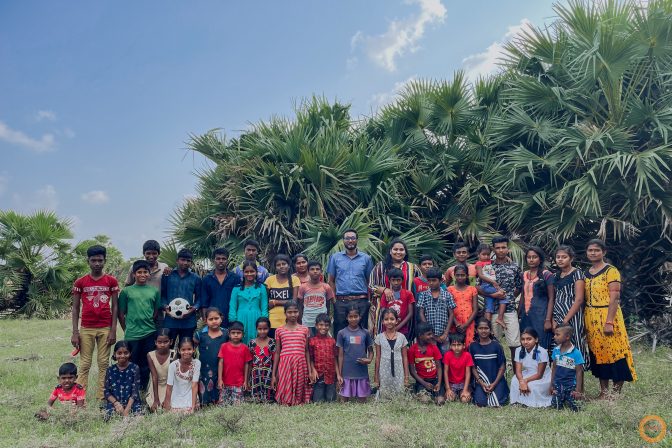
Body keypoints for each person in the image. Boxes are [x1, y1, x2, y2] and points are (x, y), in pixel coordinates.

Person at [584, 239, 636, 398]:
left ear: (603, 252)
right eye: (590, 250)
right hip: (591, 317)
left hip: (608, 315)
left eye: (596, 250)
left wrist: (609, 322)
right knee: (599, 353)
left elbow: (615, 298)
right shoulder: (586, 273)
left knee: (616, 353)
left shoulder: (611, 271)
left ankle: (615, 393)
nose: (593, 253)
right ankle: (603, 392)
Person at [71, 244, 119, 401]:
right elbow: (75, 308)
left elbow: (115, 306)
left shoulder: (111, 281)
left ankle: (102, 397)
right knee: (85, 364)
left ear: (105, 261)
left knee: (103, 363)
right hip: (86, 328)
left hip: (105, 327)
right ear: (88, 261)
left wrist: (113, 330)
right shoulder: (80, 282)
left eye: (100, 260)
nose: (97, 264)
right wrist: (75, 332)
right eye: (93, 260)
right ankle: (80, 397)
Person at [118, 259, 161, 391]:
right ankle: (131, 388)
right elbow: (121, 313)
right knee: (132, 361)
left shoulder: (154, 291)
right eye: (139, 272)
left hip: (149, 332)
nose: (142, 275)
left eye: (145, 272)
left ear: (149, 274)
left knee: (146, 362)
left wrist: (149, 322)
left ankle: (143, 388)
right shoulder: (126, 291)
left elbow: (156, 312)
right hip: (132, 334)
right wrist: (126, 329)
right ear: (134, 274)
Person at [327, 229, 374, 337]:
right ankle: (340, 349)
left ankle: (361, 349)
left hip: (361, 301)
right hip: (341, 301)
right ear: (343, 240)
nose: (350, 240)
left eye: (353, 238)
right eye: (347, 238)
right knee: (340, 332)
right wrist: (335, 301)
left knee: (361, 332)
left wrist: (369, 300)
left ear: (357, 240)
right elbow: (331, 281)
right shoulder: (335, 258)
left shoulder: (366, 258)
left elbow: (370, 281)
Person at [369, 238, 420, 336]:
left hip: (406, 310)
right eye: (395, 249)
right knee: (383, 336)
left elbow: (421, 282)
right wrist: (385, 290)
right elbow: (371, 286)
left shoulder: (413, 268)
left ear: (405, 252)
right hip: (383, 308)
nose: (398, 252)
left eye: (401, 250)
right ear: (390, 251)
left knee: (405, 338)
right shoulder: (381, 266)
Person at [553, 245, 589, 371]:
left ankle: (579, 381)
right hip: (558, 314)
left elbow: (579, 299)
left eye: (564, 257)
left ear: (571, 258)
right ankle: (565, 379)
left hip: (572, 315)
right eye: (558, 257)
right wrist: (554, 319)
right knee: (561, 347)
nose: (560, 259)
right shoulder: (556, 275)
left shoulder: (577, 273)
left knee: (575, 345)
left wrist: (566, 320)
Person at [271, 301, 312, 406]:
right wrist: (274, 374)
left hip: (300, 362)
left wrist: (310, 370)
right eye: (289, 312)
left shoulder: (305, 329)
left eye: (295, 312)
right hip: (285, 363)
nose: (293, 314)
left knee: (300, 384)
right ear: (285, 313)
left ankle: (298, 401)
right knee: (286, 383)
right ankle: (286, 400)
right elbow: (277, 352)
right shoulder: (279, 330)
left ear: (299, 312)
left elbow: (306, 351)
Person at [490, 236, 523, 361]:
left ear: (508, 249)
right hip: (493, 310)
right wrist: (493, 295)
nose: (501, 250)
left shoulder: (515, 266)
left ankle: (516, 372)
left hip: (510, 310)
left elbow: (519, 286)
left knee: (515, 345)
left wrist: (510, 297)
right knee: (494, 344)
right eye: (498, 248)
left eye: (503, 247)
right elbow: (479, 287)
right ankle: (498, 371)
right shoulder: (488, 267)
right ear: (493, 249)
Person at [124, 240, 171, 328]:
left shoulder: (164, 267)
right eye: (148, 253)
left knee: (158, 334)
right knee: (139, 333)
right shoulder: (135, 267)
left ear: (158, 253)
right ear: (144, 253)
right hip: (139, 309)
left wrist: (169, 272)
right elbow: (128, 286)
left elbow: (168, 286)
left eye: (154, 253)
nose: (151, 256)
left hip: (158, 308)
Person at [161, 248, 202, 345]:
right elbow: (162, 295)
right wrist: (165, 307)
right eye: (183, 260)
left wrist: (194, 308)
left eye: (188, 261)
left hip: (188, 322)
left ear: (191, 263)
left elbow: (200, 298)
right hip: (170, 321)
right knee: (168, 348)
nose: (185, 263)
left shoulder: (195, 278)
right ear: (177, 260)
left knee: (186, 349)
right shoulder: (167, 275)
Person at [519, 246, 555, 352]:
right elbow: (522, 295)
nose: (531, 259)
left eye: (534, 257)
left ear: (540, 259)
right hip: (526, 316)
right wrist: (518, 313)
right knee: (527, 343)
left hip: (541, 316)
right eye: (529, 257)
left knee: (541, 345)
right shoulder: (524, 274)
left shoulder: (546, 275)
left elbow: (552, 298)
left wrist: (548, 320)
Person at [336, 305, 374, 402]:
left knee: (362, 400)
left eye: (355, 316)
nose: (353, 319)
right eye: (351, 317)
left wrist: (369, 360)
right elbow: (340, 356)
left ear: (360, 317)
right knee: (344, 400)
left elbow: (371, 351)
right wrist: (340, 374)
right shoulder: (341, 333)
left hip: (361, 371)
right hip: (347, 371)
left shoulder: (365, 332)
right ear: (346, 317)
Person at [470, 319, 509, 407]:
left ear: (490, 330)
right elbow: (473, 367)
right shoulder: (473, 346)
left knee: (498, 403)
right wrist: (481, 382)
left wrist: (494, 384)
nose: (483, 331)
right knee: (480, 403)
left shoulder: (497, 346)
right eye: (481, 328)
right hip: (481, 381)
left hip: (496, 380)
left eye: (486, 328)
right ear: (476, 330)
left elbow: (502, 367)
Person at [416, 267, 456, 354]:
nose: (431, 283)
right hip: (429, 335)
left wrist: (445, 333)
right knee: (431, 355)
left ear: (440, 280)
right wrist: (430, 332)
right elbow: (421, 313)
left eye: (434, 280)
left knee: (445, 355)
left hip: (444, 333)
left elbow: (451, 314)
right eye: (429, 280)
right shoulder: (423, 295)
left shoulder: (447, 295)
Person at [228, 261, 269, 344]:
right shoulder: (236, 289)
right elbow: (232, 306)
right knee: (241, 342)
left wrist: (264, 321)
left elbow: (264, 306)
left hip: (257, 319)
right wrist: (234, 322)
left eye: (252, 271)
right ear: (243, 273)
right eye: (246, 272)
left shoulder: (261, 287)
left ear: (256, 272)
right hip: (240, 319)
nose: (249, 274)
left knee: (257, 342)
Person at [510, 327, 552, 407]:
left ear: (536, 340)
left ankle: (531, 403)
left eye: (529, 339)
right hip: (528, 373)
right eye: (523, 339)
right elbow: (518, 371)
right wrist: (521, 381)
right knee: (514, 380)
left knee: (532, 385)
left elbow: (539, 375)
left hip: (543, 377)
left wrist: (525, 381)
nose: (525, 342)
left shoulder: (542, 351)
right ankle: (517, 401)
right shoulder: (518, 350)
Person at [196, 308, 229, 406]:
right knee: (205, 385)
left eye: (216, 318)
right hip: (205, 367)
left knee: (220, 383)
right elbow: (193, 348)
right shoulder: (200, 335)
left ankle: (220, 401)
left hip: (222, 365)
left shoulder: (226, 333)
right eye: (211, 319)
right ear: (205, 320)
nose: (214, 321)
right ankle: (205, 402)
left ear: (221, 318)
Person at [374, 308, 409, 399]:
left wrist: (406, 376)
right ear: (382, 322)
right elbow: (378, 357)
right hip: (384, 369)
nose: (389, 321)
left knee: (398, 395)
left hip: (398, 369)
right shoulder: (379, 337)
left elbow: (405, 357)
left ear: (397, 321)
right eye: (386, 319)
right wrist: (376, 376)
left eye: (392, 319)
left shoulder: (402, 337)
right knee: (385, 395)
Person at [201, 248, 240, 327]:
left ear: (227, 260)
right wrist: (205, 319)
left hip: (231, 318)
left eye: (223, 259)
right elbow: (204, 302)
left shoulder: (235, 278)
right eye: (218, 259)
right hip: (213, 319)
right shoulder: (207, 279)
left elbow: (239, 300)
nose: (221, 261)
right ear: (214, 260)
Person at [408, 323, 444, 405]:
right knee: (425, 400)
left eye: (432, 334)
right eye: (429, 334)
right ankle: (419, 391)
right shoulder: (412, 350)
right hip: (422, 381)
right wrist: (424, 383)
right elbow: (412, 371)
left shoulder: (434, 347)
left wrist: (438, 383)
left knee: (440, 401)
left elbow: (439, 367)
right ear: (420, 335)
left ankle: (435, 394)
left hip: (435, 380)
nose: (432, 336)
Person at [550, 324, 584, 411]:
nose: (554, 337)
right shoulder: (556, 350)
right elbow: (554, 368)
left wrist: (578, 390)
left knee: (576, 407)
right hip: (558, 385)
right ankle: (561, 398)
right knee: (555, 406)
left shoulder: (576, 353)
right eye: (554, 334)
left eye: (557, 334)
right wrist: (552, 384)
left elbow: (579, 372)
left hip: (571, 386)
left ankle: (570, 398)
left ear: (567, 337)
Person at [217, 321, 252, 405]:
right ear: (229, 334)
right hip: (225, 382)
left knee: (237, 405)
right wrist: (220, 379)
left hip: (239, 383)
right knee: (223, 404)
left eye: (238, 333)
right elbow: (220, 363)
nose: (236, 335)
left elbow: (247, 364)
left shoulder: (245, 348)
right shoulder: (224, 346)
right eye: (233, 333)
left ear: (243, 334)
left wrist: (245, 381)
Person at [103, 341, 142, 417]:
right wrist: (116, 404)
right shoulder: (110, 370)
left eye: (126, 353)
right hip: (115, 402)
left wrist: (127, 410)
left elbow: (135, 392)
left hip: (131, 402)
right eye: (119, 353)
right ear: (114, 354)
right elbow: (106, 392)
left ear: (130, 353)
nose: (123, 356)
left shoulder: (135, 368)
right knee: (108, 416)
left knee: (138, 416)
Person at [265, 254, 300, 338]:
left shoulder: (295, 279)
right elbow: (265, 301)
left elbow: (294, 301)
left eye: (284, 264)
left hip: (289, 319)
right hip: (272, 320)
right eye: (278, 265)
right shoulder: (269, 280)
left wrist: (275, 302)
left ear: (288, 265)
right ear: (275, 267)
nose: (281, 266)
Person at [297, 261, 335, 336]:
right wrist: (301, 320)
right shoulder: (303, 287)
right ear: (308, 271)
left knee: (321, 341)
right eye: (312, 269)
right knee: (308, 341)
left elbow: (328, 305)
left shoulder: (326, 287)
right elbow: (300, 305)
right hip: (307, 321)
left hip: (322, 323)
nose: (315, 271)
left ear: (321, 271)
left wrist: (326, 318)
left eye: (317, 269)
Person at [309, 313, 340, 403]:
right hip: (318, 376)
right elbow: (310, 358)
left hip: (331, 376)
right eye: (321, 325)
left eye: (326, 325)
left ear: (329, 326)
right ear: (316, 326)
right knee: (318, 401)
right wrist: (313, 370)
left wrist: (338, 374)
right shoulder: (312, 341)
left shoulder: (332, 341)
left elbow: (335, 358)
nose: (324, 327)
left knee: (331, 400)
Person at [475, 243, 507, 328]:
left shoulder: (489, 261)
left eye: (488, 254)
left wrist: (508, 258)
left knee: (489, 306)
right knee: (503, 296)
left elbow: (499, 259)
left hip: (489, 286)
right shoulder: (479, 264)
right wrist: (493, 282)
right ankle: (500, 318)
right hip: (486, 285)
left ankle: (487, 326)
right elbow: (481, 275)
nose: (486, 256)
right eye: (483, 254)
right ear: (478, 255)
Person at [164, 337, 200, 413]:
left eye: (189, 349)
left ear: (193, 349)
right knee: (175, 411)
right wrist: (167, 406)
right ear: (179, 350)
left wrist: (193, 407)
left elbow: (194, 385)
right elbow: (169, 387)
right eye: (183, 350)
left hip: (190, 395)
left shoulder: (197, 363)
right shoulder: (173, 365)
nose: (186, 352)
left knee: (190, 410)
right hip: (177, 395)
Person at [379, 268, 415, 338]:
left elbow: (410, 313)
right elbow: (383, 312)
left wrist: (397, 327)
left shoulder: (408, 294)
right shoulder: (386, 294)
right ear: (389, 280)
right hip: (387, 329)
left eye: (398, 280)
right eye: (393, 280)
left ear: (402, 280)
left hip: (403, 330)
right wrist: (389, 325)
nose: (396, 283)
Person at [448, 264, 478, 346]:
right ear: (454, 276)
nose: (460, 277)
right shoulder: (450, 289)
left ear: (467, 276)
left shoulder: (472, 289)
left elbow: (475, 309)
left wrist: (466, 324)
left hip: (469, 322)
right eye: (457, 275)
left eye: (462, 275)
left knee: (469, 344)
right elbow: (449, 308)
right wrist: (456, 323)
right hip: (454, 322)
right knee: (456, 345)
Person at [248, 317, 275, 403]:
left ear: (269, 328)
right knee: (256, 399)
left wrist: (275, 376)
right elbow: (249, 362)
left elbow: (274, 361)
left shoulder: (272, 342)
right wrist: (248, 378)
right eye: (260, 329)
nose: (262, 331)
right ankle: (256, 398)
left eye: (265, 329)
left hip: (268, 372)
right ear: (256, 329)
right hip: (255, 372)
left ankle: (268, 399)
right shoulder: (252, 343)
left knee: (268, 398)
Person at [146, 328, 173, 412]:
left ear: (171, 342)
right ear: (155, 342)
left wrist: (167, 398)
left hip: (169, 385)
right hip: (156, 385)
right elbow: (154, 377)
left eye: (166, 342)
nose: (162, 345)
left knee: (169, 406)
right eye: (159, 342)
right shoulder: (150, 355)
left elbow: (171, 377)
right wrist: (156, 399)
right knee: (155, 408)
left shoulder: (173, 354)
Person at [442, 333, 473, 403]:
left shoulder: (467, 355)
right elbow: (445, 372)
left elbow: (468, 373)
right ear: (450, 346)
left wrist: (465, 390)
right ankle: (455, 394)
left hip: (463, 384)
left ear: (464, 345)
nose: (456, 347)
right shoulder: (447, 355)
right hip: (451, 384)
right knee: (449, 399)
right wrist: (448, 389)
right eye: (454, 345)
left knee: (465, 400)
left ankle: (462, 393)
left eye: (459, 345)